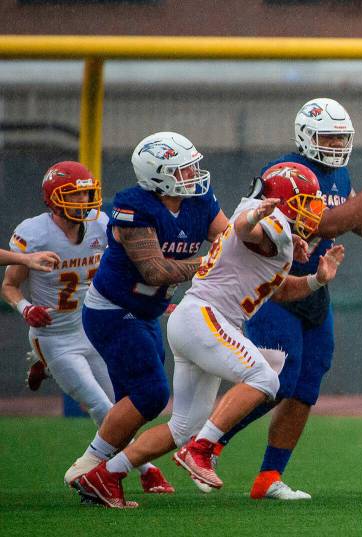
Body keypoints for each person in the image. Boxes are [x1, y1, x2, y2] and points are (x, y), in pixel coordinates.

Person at [71, 163, 345, 509]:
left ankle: (105, 476)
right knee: (264, 378)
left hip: (201, 320)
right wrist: (251, 219)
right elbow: (248, 231)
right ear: (281, 200)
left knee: (183, 427)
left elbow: (279, 290)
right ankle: (203, 450)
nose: (314, 209)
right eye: (306, 201)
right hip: (205, 317)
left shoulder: (280, 231)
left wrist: (318, 280)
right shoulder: (267, 221)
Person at [213, 98, 362, 501]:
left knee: (306, 387)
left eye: (342, 137)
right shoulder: (288, 172)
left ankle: (268, 478)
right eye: (328, 136)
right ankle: (208, 444)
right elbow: (327, 223)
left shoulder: (338, 175)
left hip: (313, 288)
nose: (337, 145)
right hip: (273, 289)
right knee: (276, 381)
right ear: (305, 135)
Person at [64, 132, 228, 494]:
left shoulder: (200, 200)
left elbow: (228, 240)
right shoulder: (133, 206)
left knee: (134, 400)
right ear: (158, 175)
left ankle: (126, 472)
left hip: (147, 311)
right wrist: (206, 262)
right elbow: (154, 271)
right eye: (184, 170)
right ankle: (90, 468)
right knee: (151, 393)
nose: (194, 175)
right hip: (114, 310)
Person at [2, 161, 172, 493]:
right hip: (54, 335)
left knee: (121, 403)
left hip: (93, 327)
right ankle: (145, 469)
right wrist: (25, 307)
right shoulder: (33, 233)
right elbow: (9, 286)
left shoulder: (101, 224)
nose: (84, 202)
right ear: (54, 199)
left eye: (86, 194)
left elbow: (125, 269)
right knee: (100, 404)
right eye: (75, 195)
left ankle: (43, 367)